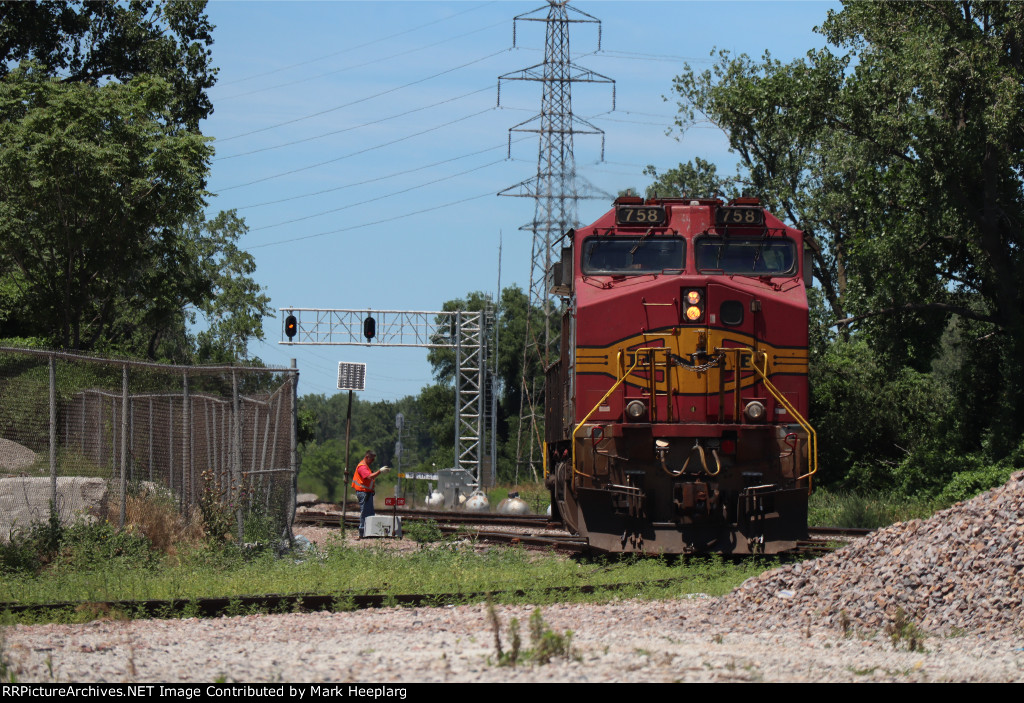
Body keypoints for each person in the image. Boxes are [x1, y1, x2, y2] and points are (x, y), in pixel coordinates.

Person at [351, 450, 389, 538]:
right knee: (365, 513)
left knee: (370, 513)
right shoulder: (362, 467)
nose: (372, 461)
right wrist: (380, 471)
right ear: (367, 457)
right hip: (363, 492)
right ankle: (363, 532)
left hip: (367, 492)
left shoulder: (366, 466)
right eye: (372, 459)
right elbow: (369, 477)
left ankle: (369, 531)